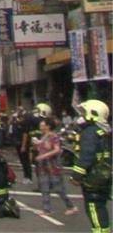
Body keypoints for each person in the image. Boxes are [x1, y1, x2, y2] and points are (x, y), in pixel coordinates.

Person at [70, 100, 111, 233]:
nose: (81, 116)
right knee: (101, 209)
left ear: (93, 114)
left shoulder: (90, 132)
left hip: (93, 180)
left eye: (84, 112)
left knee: (94, 210)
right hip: (104, 178)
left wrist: (76, 176)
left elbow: (86, 156)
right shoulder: (104, 131)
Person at [34, 117, 77, 216]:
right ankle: (46, 209)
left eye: (42, 125)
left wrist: (43, 155)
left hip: (53, 166)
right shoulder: (43, 136)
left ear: (48, 126)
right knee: (44, 187)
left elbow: (56, 149)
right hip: (43, 165)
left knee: (58, 188)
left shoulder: (53, 136)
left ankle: (71, 206)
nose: (41, 127)